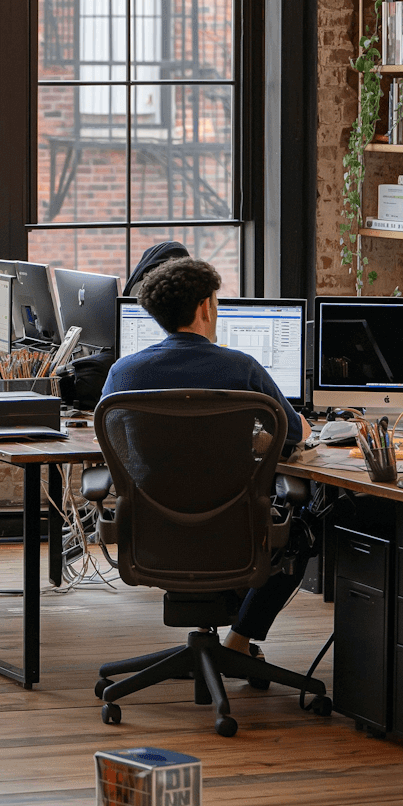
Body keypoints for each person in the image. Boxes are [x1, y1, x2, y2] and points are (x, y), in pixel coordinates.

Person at [101, 256, 312, 657]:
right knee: (304, 530)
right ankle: (238, 639)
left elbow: (117, 447)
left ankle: (223, 636)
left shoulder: (123, 374)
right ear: (205, 307)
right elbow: (294, 434)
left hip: (153, 533)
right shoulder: (242, 369)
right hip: (233, 532)